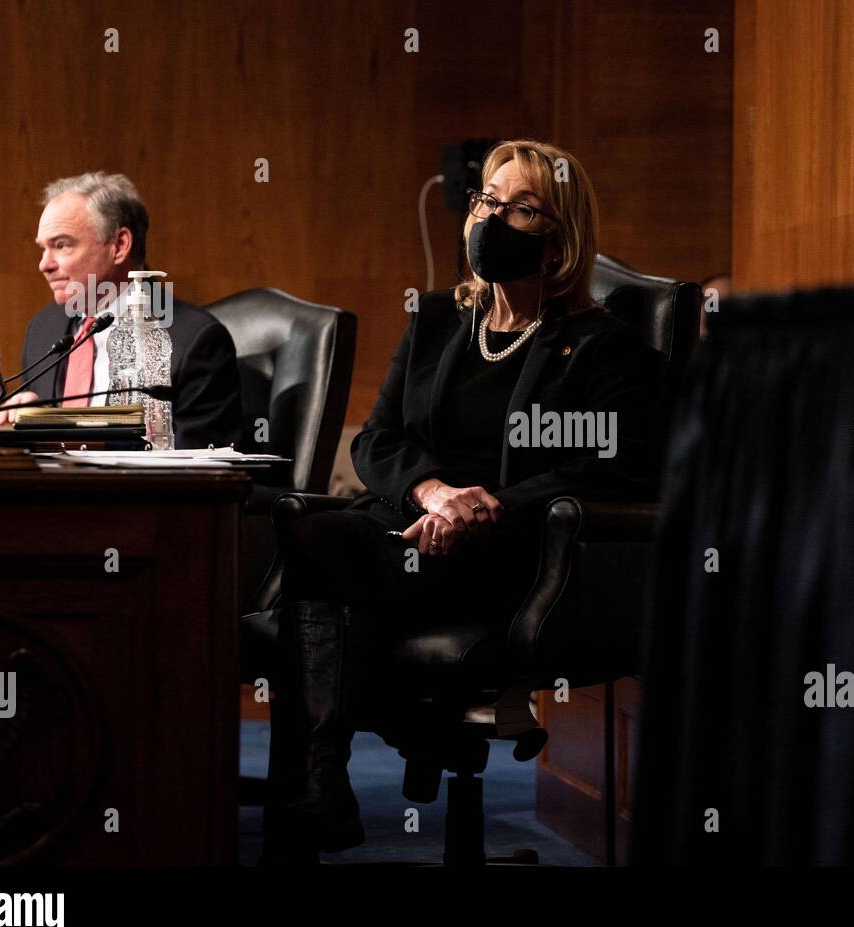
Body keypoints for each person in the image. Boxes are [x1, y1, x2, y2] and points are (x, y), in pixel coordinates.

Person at [265, 139, 665, 862]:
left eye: (521, 208)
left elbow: (617, 468)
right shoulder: (438, 323)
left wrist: (486, 510)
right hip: (408, 534)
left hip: (512, 558)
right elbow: (376, 441)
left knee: (319, 556)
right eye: (485, 200)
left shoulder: (603, 349)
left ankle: (320, 789)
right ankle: (342, 772)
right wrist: (435, 492)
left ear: (558, 238)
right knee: (308, 536)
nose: (491, 218)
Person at [1, 172, 242, 449]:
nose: (45, 264)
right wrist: (31, 421)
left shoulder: (193, 341)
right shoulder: (44, 329)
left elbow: (203, 473)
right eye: (43, 249)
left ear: (119, 246)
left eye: (62, 245)